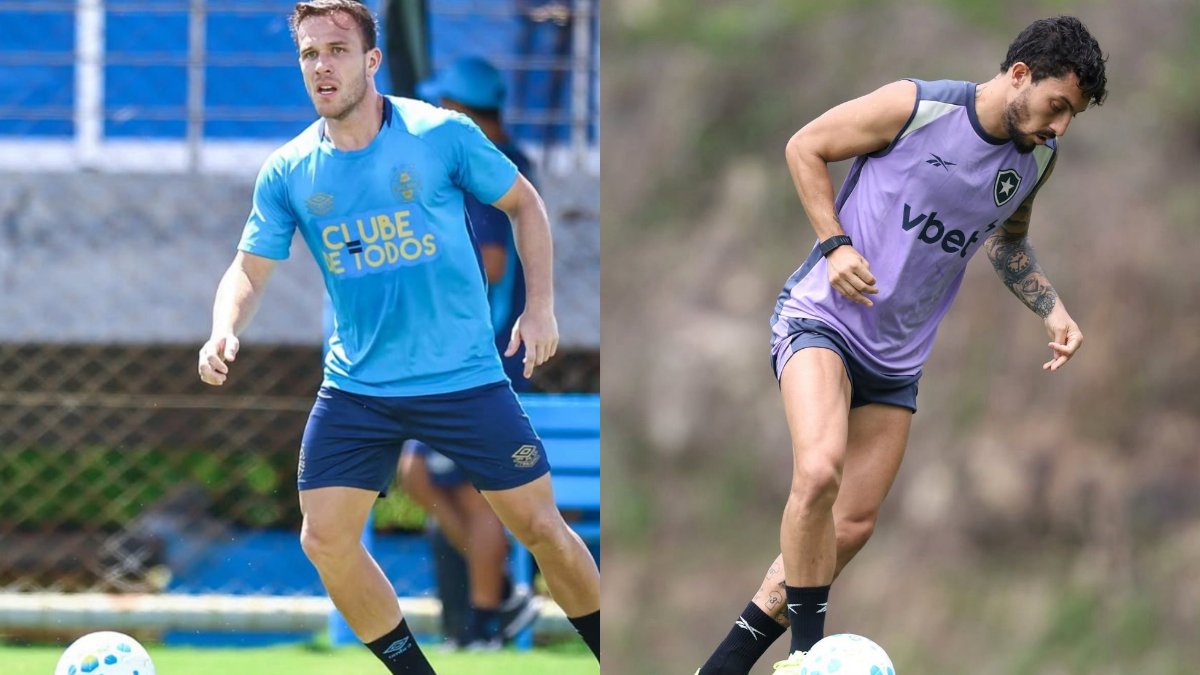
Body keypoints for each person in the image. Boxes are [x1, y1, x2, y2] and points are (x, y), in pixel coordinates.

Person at [196, 2, 600, 673]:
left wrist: (541, 308)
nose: (322, 66)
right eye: (308, 54)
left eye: (336, 50)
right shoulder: (290, 170)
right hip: (360, 389)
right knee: (324, 539)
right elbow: (248, 268)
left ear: (371, 61)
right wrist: (221, 329)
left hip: (465, 379)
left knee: (541, 529)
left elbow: (524, 202)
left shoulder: (440, 133)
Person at [695, 16, 1107, 675]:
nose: (1059, 127)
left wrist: (1052, 307)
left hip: (897, 359)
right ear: (1021, 75)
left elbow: (1008, 243)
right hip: (822, 320)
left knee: (853, 525)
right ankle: (807, 657)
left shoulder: (1036, 161)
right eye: (1058, 106)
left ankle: (724, 664)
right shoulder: (916, 107)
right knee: (819, 470)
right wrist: (834, 246)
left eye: (1072, 117)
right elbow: (806, 146)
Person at [419, 55, 535, 392]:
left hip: (484, 345)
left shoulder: (483, 168)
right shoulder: (516, 159)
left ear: (458, 110)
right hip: (505, 338)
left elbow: (492, 263)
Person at [398, 439, 543, 650]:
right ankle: (504, 594)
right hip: (425, 407)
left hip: (473, 409)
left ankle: (483, 624)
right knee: (416, 477)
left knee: (474, 494)